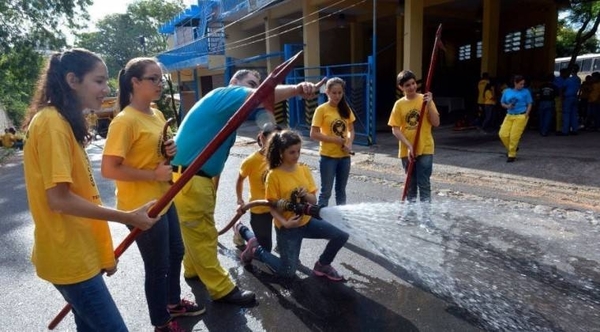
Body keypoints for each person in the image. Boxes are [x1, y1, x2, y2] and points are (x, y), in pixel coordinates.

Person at [22, 48, 159, 331]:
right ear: (73, 80)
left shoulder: (61, 121)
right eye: (98, 81)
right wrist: (129, 217)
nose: (105, 89)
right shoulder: (52, 124)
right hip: (68, 257)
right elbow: (59, 199)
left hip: (78, 250)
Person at [171, 69, 322, 305]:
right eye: (250, 83)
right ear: (235, 82)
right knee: (203, 236)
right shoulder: (224, 94)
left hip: (193, 180)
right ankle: (222, 290)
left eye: (256, 84)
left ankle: (193, 269)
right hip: (190, 179)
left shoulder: (225, 114)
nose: (254, 88)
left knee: (196, 233)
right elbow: (260, 95)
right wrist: (297, 89)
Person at [101, 57, 203, 332]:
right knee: (158, 267)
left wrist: (168, 148)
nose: (159, 83)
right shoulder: (124, 121)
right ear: (135, 82)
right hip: (141, 207)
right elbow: (109, 169)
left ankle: (171, 303)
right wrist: (151, 175)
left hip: (163, 197)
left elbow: (154, 151)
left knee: (176, 252)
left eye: (161, 78)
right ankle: (161, 322)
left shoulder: (156, 113)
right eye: (153, 78)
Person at [234, 130, 349, 281]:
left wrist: (305, 195)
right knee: (287, 273)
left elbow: (313, 200)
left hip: (307, 222)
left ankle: (323, 265)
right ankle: (257, 251)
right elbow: (272, 206)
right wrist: (285, 223)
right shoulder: (273, 175)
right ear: (281, 153)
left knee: (341, 234)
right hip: (288, 229)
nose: (296, 155)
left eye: (299, 151)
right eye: (291, 152)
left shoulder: (303, 169)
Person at [388, 70, 440, 203]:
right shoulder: (399, 105)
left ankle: (425, 216)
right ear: (401, 87)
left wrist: (429, 104)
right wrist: (409, 145)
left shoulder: (425, 99)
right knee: (410, 184)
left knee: (424, 183)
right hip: (407, 150)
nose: (411, 87)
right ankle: (411, 215)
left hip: (425, 147)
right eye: (407, 85)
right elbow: (395, 129)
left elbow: (436, 123)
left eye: (413, 83)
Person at [234, 122, 283, 251]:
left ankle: (281, 245)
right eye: (272, 139)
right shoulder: (251, 161)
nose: (276, 143)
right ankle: (240, 229)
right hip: (260, 208)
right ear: (262, 137)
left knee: (286, 239)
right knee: (264, 248)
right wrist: (240, 200)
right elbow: (240, 180)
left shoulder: (283, 158)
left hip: (279, 205)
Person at [309, 77, 355, 206]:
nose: (337, 96)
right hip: (328, 157)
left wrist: (349, 143)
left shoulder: (346, 109)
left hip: (345, 157)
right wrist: (334, 139)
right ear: (327, 92)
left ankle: (342, 219)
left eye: (340, 92)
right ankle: (321, 220)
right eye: (334, 93)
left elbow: (351, 129)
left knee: (341, 191)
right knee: (326, 192)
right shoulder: (321, 109)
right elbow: (313, 134)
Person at [499, 75, 533, 162]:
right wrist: (507, 106)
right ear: (515, 83)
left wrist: (526, 114)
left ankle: (511, 154)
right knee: (502, 134)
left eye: (523, 84)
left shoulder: (526, 92)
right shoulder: (506, 91)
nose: (522, 86)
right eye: (520, 84)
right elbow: (502, 102)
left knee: (514, 136)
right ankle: (513, 148)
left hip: (520, 115)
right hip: (509, 115)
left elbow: (529, 103)